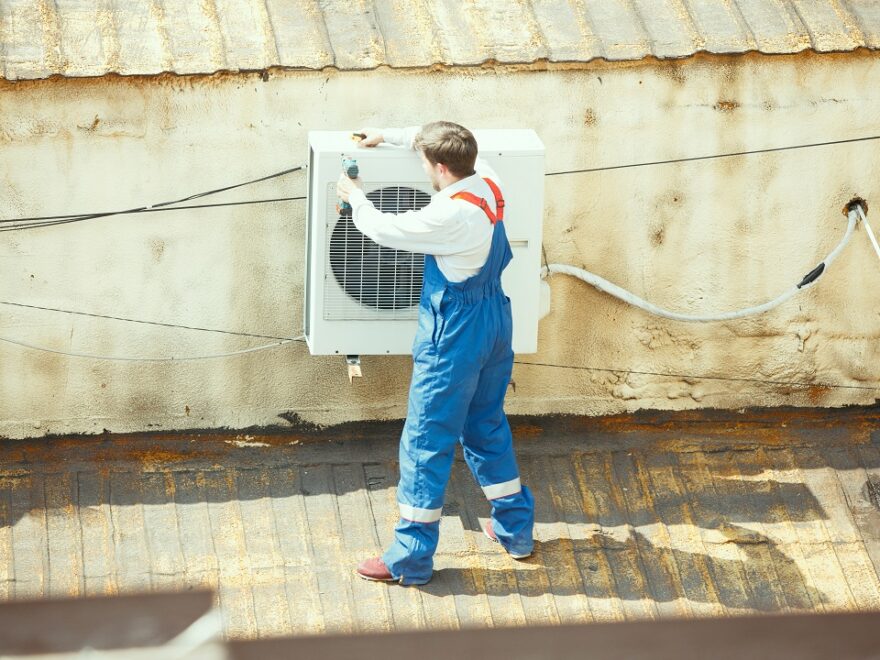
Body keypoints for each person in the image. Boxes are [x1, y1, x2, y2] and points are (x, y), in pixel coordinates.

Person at [336, 122, 535, 586]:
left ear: (439, 168)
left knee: (426, 440)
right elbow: (437, 137)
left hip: (455, 334)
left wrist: (355, 196)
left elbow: (384, 229)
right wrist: (388, 135)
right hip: (495, 322)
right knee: (485, 423)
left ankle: (409, 557)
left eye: (426, 161)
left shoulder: (449, 218)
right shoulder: (485, 181)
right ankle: (514, 530)